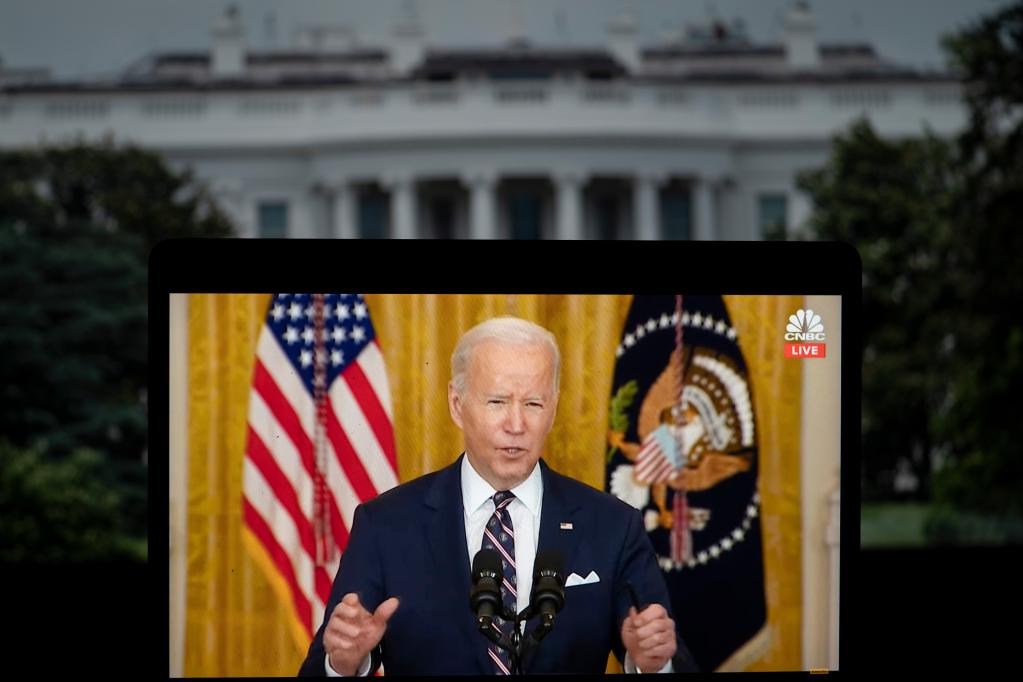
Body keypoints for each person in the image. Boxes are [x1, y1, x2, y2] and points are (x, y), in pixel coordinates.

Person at [298, 317, 698, 675]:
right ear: (457, 405)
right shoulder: (385, 525)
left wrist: (653, 664)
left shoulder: (613, 525)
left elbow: (666, 653)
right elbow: (323, 665)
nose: (516, 424)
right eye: (497, 402)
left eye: (534, 403)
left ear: (553, 409)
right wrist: (343, 664)